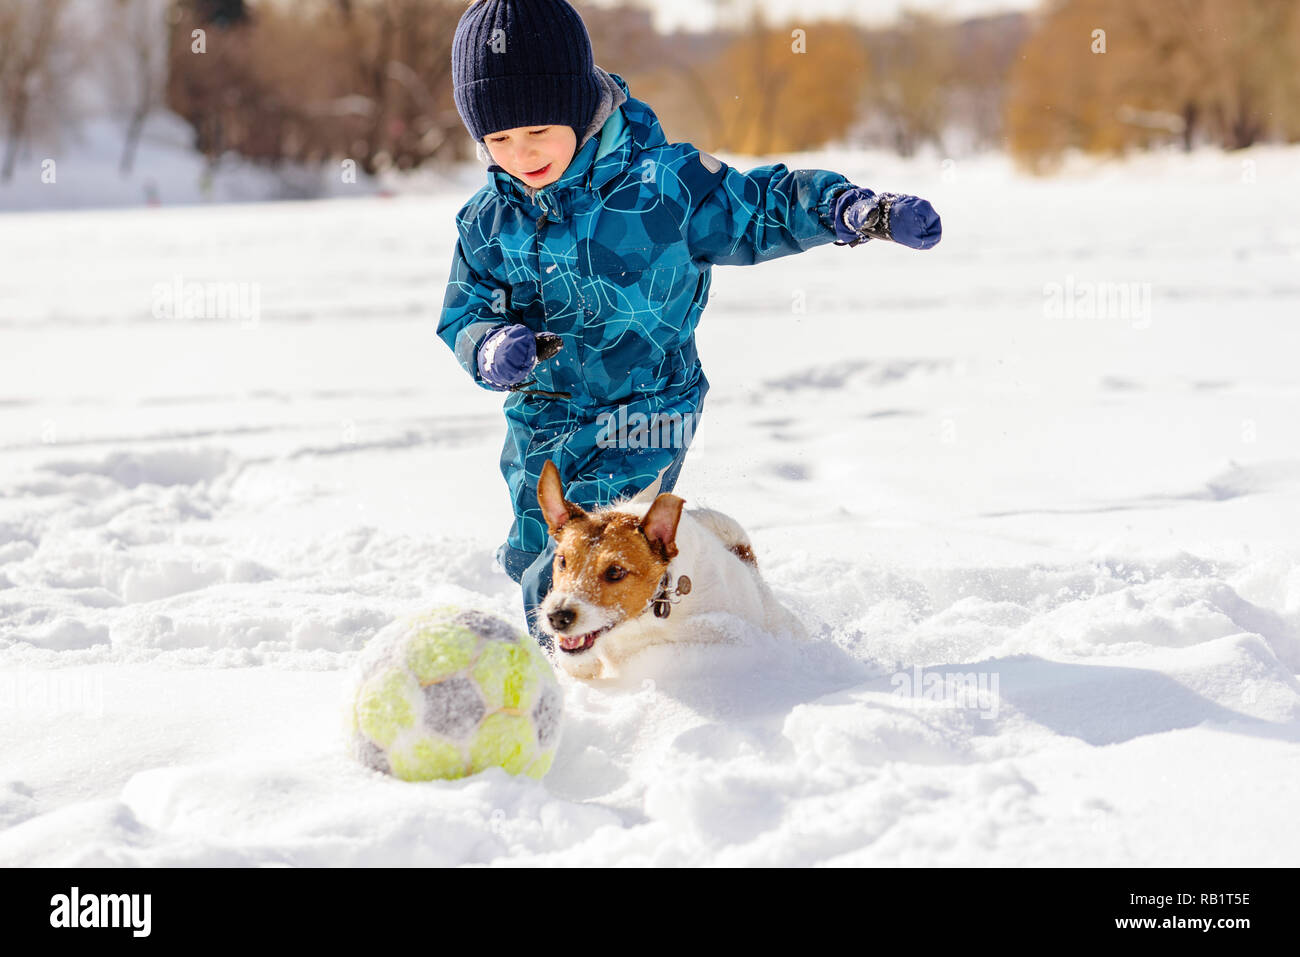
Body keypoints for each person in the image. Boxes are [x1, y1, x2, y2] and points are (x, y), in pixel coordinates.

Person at [437, 0, 942, 647]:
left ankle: (588, 687)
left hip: (646, 405)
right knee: (536, 552)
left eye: (536, 130)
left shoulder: (663, 188)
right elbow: (466, 309)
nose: (520, 152)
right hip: (543, 415)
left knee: (578, 557)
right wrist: (489, 347)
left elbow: (761, 206)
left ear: (577, 106)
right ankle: (683, 603)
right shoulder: (487, 220)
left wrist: (851, 210)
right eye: (497, 140)